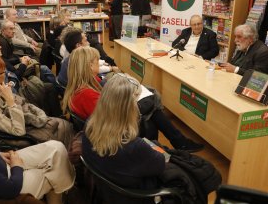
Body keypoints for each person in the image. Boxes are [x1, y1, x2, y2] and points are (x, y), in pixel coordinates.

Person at [63, 46, 204, 152]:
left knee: (150, 107)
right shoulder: (87, 94)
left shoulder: (80, 86)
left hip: (107, 125)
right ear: (88, 66)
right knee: (152, 105)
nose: (99, 64)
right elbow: (112, 119)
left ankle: (175, 144)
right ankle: (177, 143)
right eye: (96, 62)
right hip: (115, 131)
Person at [82, 74, 167, 203]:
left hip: (106, 190)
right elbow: (160, 164)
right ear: (129, 107)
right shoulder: (134, 146)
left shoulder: (90, 126)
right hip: (134, 197)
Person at [0, 54, 73, 148]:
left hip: (20, 124)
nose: (6, 73)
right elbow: (18, 131)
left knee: (63, 125)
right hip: (12, 139)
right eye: (3, 72)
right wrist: (11, 102)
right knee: (64, 126)